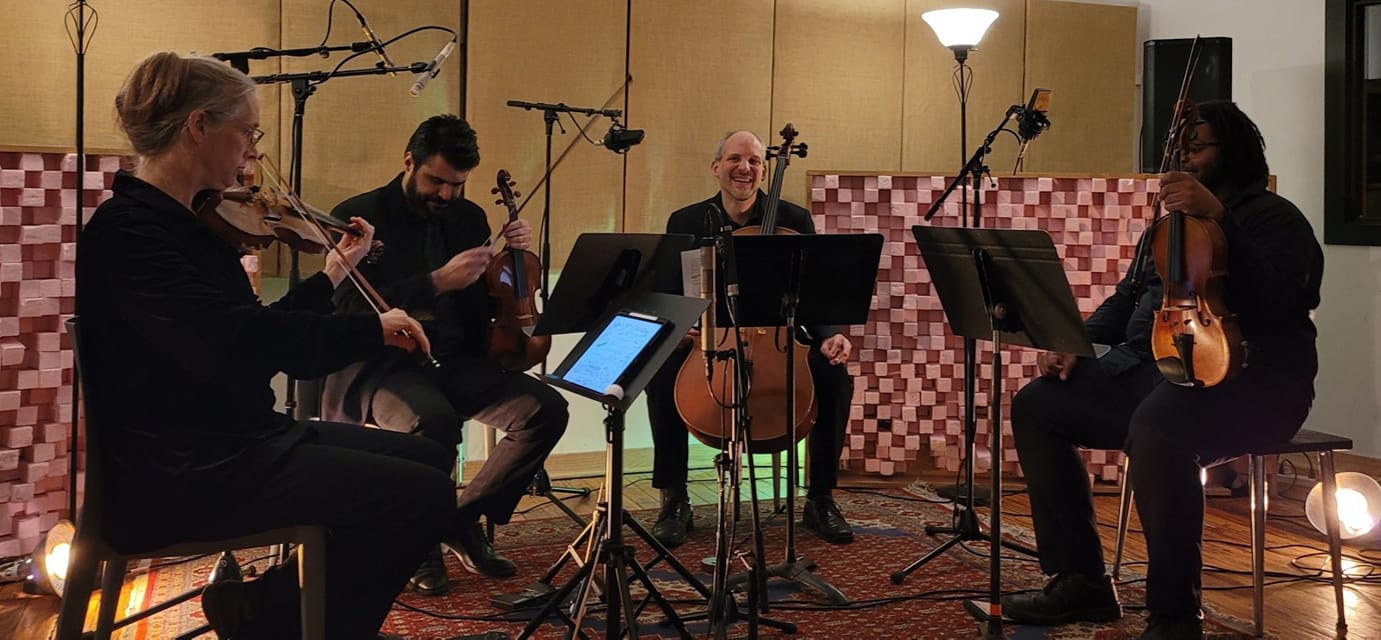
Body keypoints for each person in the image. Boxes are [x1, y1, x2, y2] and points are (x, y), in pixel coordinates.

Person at [77, 52, 457, 640]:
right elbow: (240, 343)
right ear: (199, 126)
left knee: (432, 461)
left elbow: (247, 330)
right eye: (248, 132)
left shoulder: (182, 225)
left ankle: (264, 611)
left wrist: (333, 275)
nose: (254, 151)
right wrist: (368, 328)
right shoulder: (131, 234)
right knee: (421, 495)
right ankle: (280, 622)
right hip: (188, 469)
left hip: (236, 438)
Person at [1002, 101, 1323, 640]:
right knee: (1039, 404)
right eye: (1182, 149)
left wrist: (1222, 219)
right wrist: (1075, 341)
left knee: (1158, 429)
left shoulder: (1275, 217)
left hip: (1257, 385)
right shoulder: (1170, 224)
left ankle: (1175, 616)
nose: (1186, 159)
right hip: (1162, 370)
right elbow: (1134, 295)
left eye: (1198, 148)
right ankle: (1082, 581)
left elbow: (1288, 302)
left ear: (1233, 152)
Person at [322, 115, 569, 594]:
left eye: (457, 184)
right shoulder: (359, 216)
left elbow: (483, 300)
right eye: (437, 181)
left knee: (545, 409)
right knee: (433, 423)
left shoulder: (470, 216)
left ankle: (455, 519)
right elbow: (346, 305)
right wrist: (436, 282)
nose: (447, 194)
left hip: (458, 359)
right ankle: (421, 545)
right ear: (409, 161)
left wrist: (511, 264)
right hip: (385, 366)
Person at [644, 130, 856, 546]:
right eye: (735, 159)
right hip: (711, 337)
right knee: (660, 373)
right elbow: (669, 290)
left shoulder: (794, 220)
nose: (745, 168)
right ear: (716, 166)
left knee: (834, 377)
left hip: (783, 339)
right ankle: (674, 499)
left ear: (765, 169)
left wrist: (832, 336)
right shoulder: (686, 220)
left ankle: (821, 498)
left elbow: (815, 294)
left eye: (755, 161)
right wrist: (681, 323)